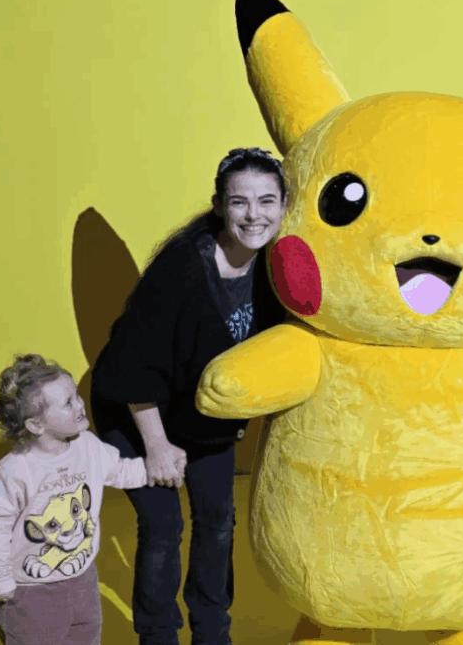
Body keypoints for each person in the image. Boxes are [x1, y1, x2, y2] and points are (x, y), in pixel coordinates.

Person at [91, 147, 287, 645]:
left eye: (267, 201)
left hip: (201, 415)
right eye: (239, 202)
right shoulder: (180, 270)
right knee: (163, 525)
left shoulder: (275, 268)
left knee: (218, 521)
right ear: (219, 206)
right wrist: (156, 446)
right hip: (137, 413)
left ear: (284, 206)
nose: (254, 215)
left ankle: (212, 632)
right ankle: (158, 635)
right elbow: (136, 367)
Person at [0, 353, 152, 645]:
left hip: (82, 578)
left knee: (86, 635)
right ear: (36, 425)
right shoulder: (14, 471)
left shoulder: (87, 446)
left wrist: (156, 469)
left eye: (77, 396)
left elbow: (120, 471)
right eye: (68, 403)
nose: (80, 405)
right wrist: (0, 578)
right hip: (31, 591)